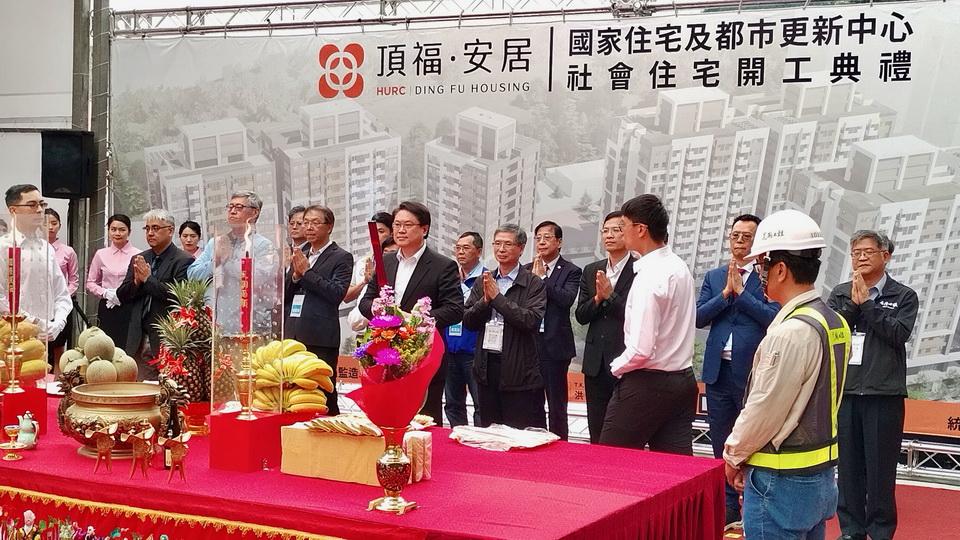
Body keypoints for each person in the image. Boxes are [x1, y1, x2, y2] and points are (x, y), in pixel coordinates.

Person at [724, 209, 851, 540]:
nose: (760, 275)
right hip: (819, 477)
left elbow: (765, 406)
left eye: (762, 266)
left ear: (780, 269)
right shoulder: (834, 321)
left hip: (780, 482)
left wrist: (734, 454)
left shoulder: (790, 332)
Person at [829, 231, 918, 540]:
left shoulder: (903, 295)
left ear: (885, 256)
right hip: (847, 393)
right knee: (848, 468)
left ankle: (880, 531)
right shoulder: (840, 293)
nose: (861, 257)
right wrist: (854, 305)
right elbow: (833, 333)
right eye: (856, 252)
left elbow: (898, 334)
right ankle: (851, 530)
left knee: (880, 470)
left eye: (868, 251)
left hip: (883, 395)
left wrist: (868, 304)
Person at [696, 213, 780, 528]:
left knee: (753, 441)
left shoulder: (769, 278)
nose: (740, 241)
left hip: (752, 374)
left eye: (747, 237)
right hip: (718, 371)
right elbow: (699, 317)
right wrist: (726, 294)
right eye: (735, 235)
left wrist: (742, 295)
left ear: (758, 243)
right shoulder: (716, 275)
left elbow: (773, 317)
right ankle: (729, 507)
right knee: (721, 441)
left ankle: (756, 505)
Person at [599, 194, 697, 455]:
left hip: (646, 383)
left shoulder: (651, 276)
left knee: (608, 462)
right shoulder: (678, 266)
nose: (620, 233)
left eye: (623, 226)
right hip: (682, 380)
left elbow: (641, 349)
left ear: (641, 229)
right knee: (672, 469)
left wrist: (616, 368)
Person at [358, 201, 463, 426]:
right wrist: (375, 308)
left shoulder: (442, 265)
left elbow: (455, 309)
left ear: (424, 229)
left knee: (424, 419)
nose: (400, 230)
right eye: (397, 225)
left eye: (407, 225)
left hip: (423, 354)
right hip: (385, 352)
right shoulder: (385, 261)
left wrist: (414, 319)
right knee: (386, 415)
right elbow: (365, 302)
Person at [463, 224, 546, 429]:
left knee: (516, 432)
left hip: (518, 369)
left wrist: (497, 298)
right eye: (497, 243)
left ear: (521, 248)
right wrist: (485, 301)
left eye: (507, 244)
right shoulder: (484, 280)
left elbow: (530, 320)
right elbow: (469, 321)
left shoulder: (533, 283)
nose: (501, 249)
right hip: (487, 365)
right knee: (489, 430)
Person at [283, 205, 353, 415]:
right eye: (306, 223)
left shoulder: (341, 257)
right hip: (294, 334)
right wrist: (295, 276)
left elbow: (336, 294)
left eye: (315, 222)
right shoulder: (300, 253)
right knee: (295, 394)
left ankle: (330, 428)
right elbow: (284, 293)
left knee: (323, 394)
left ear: (329, 226)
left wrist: (307, 272)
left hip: (320, 336)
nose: (309, 227)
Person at [575, 212, 636, 444]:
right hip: (595, 362)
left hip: (625, 359)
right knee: (596, 428)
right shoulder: (592, 270)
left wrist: (610, 296)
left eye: (616, 230)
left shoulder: (639, 269)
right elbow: (581, 315)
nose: (609, 235)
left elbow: (635, 315)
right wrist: (598, 299)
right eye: (605, 230)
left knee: (622, 430)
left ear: (628, 233)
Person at [188, 191, 278, 335]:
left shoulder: (264, 246)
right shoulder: (216, 242)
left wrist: (228, 261)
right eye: (230, 207)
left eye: (238, 207)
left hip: (248, 326)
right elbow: (192, 275)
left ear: (254, 212)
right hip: (214, 325)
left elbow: (257, 279)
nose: (232, 211)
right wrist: (216, 260)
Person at [117, 209, 193, 380]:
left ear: (170, 230)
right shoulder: (139, 258)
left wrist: (148, 279)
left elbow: (177, 297)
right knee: (138, 386)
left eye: (156, 228)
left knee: (164, 388)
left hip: (165, 337)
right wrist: (137, 282)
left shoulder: (183, 260)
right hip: (137, 336)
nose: (150, 233)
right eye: (147, 228)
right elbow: (122, 295)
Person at [525, 221, 581, 440]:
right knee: (532, 401)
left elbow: (566, 299)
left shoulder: (571, 270)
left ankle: (560, 444)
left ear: (559, 242)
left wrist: (543, 279)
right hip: (530, 344)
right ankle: (536, 440)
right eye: (538, 238)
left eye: (547, 237)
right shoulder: (526, 269)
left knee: (556, 403)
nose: (542, 242)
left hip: (554, 346)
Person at [0, 185, 72, 343]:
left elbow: (61, 293)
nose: (39, 210)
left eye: (42, 204)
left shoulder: (47, 248)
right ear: (13, 210)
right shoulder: (3, 247)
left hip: (48, 335)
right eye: (32, 205)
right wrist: (36, 323)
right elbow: (1, 298)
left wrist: (58, 323)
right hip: (13, 333)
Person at [444, 231, 485, 427]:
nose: (460, 252)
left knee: (480, 403)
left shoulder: (487, 278)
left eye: (466, 248)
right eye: (458, 248)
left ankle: (479, 439)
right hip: (449, 349)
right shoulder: (449, 278)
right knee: (453, 403)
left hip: (474, 351)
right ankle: (457, 435)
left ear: (479, 251)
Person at [87, 214, 140, 358]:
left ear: (129, 231)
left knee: (127, 350)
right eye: (113, 229)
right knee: (106, 348)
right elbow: (90, 282)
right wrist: (105, 293)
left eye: (122, 230)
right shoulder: (101, 254)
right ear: (108, 231)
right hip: (107, 307)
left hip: (129, 306)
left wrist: (123, 294)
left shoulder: (138, 254)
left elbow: (141, 282)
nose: (117, 233)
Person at [45, 208, 79, 367]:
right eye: (46, 223)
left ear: (60, 225)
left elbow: (74, 281)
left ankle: (59, 379)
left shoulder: (68, 251)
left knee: (59, 346)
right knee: (38, 346)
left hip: (61, 306)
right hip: (39, 305)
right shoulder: (33, 249)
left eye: (54, 223)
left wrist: (63, 297)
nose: (50, 227)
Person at [347, 236, 397, 333]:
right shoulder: (371, 271)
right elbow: (354, 321)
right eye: (385, 253)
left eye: (392, 253)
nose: (388, 257)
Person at [343, 211, 393, 304]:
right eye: (373, 231)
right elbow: (346, 297)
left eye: (381, 231)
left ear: (392, 234)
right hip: (359, 312)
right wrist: (364, 282)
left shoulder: (394, 262)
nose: (375, 235)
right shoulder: (363, 262)